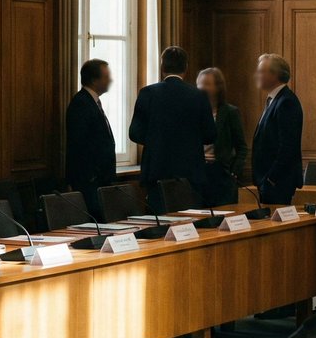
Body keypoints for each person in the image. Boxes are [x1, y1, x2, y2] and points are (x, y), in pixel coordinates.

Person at [129, 46, 216, 211]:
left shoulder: (147, 93)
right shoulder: (199, 96)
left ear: (162, 67)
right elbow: (210, 134)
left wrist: (156, 140)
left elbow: (135, 133)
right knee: (191, 222)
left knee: (159, 221)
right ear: (186, 67)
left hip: (157, 170)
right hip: (190, 172)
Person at [65, 59, 117, 218]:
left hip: (100, 180)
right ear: (94, 80)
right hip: (89, 181)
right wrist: (92, 176)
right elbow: (79, 145)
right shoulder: (81, 103)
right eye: (106, 77)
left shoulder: (93, 102)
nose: (110, 80)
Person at [251, 53, 304, 205]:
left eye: (261, 71)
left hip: (277, 182)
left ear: (275, 75)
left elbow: (288, 147)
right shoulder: (274, 100)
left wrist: (271, 179)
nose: (257, 75)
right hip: (269, 181)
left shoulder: (286, 102)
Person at [196, 67, 247, 206]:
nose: (202, 87)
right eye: (199, 84)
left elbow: (241, 147)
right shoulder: (194, 111)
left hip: (222, 174)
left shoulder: (230, 112)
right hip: (199, 172)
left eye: (207, 84)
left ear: (218, 87)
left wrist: (234, 172)